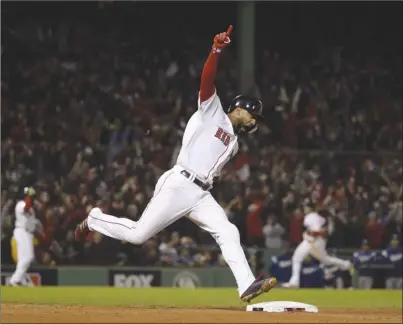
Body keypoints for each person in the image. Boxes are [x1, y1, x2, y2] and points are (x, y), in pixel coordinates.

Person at [75, 26, 277, 303]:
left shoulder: (235, 143)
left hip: (201, 193)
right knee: (137, 235)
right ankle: (96, 218)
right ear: (240, 108)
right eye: (255, 115)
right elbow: (207, 81)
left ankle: (246, 285)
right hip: (180, 182)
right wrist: (216, 50)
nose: (256, 122)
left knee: (228, 230)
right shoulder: (213, 112)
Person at [282, 198, 353, 288]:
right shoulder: (317, 216)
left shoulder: (310, 217)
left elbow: (317, 231)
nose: (304, 209)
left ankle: (294, 282)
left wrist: (311, 233)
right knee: (324, 259)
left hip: (313, 241)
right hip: (316, 241)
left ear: (310, 208)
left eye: (306, 207)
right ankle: (346, 264)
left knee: (298, 258)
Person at [9, 187, 43, 286]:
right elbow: (26, 208)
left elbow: (33, 223)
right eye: (30, 196)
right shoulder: (20, 204)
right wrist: (29, 195)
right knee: (28, 257)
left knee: (24, 259)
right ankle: (15, 280)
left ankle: (17, 280)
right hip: (22, 232)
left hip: (28, 234)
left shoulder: (32, 209)